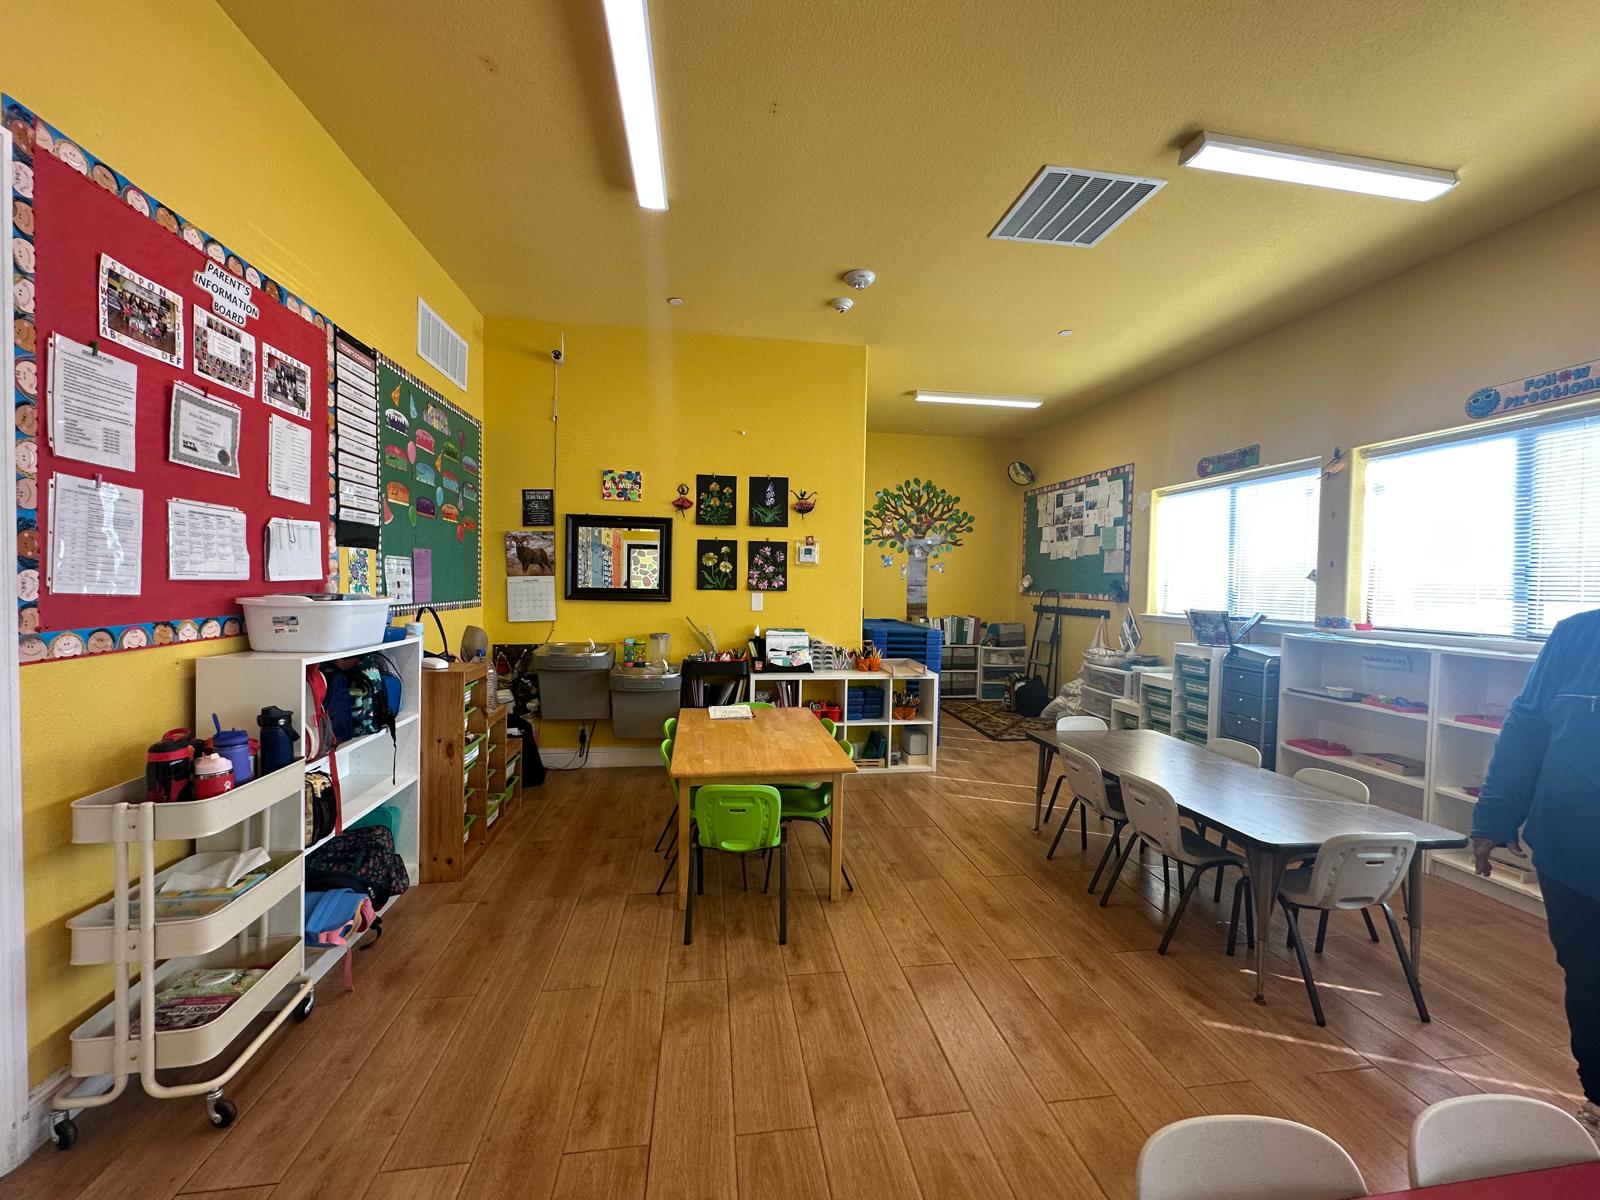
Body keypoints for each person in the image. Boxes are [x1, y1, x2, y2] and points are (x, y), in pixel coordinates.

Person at [1471, 608, 1600, 1146]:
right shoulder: (1577, 635)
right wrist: (1494, 817)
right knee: (1590, 981)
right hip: (1571, 853)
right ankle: (1597, 1096)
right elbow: (1526, 725)